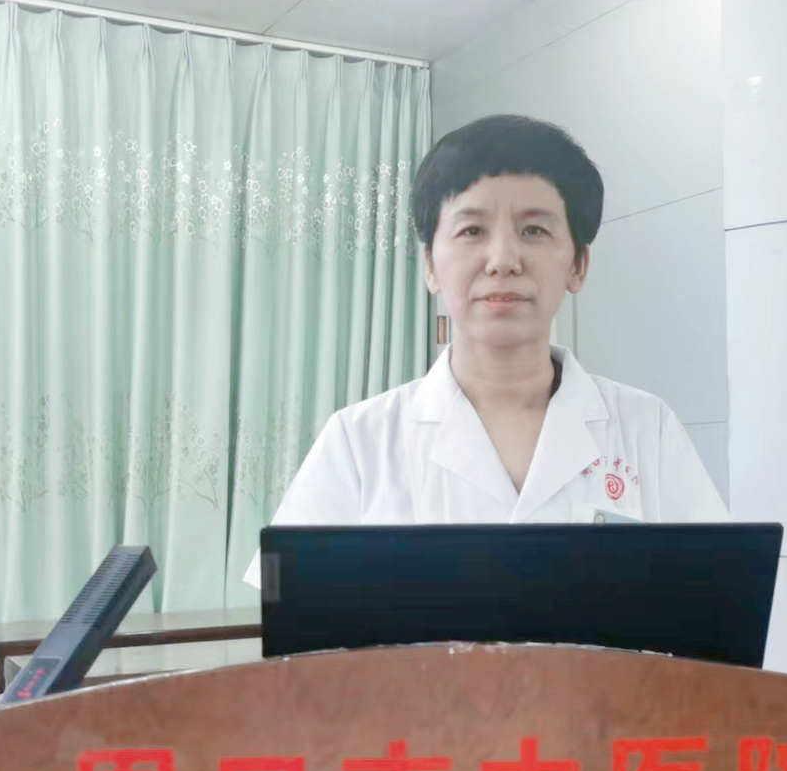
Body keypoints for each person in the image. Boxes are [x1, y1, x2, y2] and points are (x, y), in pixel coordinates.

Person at [244, 114, 726, 587]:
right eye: (472, 231)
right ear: (430, 264)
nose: (503, 260)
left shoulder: (646, 430)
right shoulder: (358, 441)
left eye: (534, 231)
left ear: (578, 264)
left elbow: (714, 602)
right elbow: (289, 612)